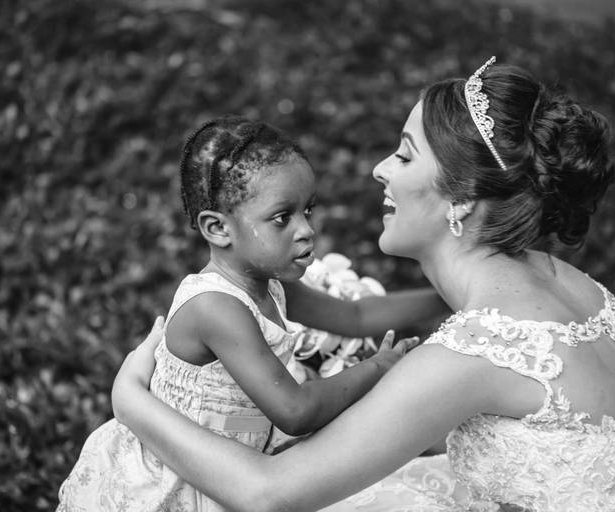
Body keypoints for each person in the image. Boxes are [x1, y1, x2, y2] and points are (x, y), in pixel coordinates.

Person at [110, 58, 615, 511]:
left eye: (404, 154)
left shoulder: (472, 354)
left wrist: (131, 401)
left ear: (462, 199)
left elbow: (269, 495)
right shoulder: (573, 284)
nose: (380, 168)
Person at [57, 116, 447, 511]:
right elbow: (296, 411)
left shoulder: (269, 283)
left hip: (231, 463)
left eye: (308, 210)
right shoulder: (216, 307)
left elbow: (356, 317)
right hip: (180, 480)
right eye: (282, 217)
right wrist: (379, 367)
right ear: (218, 229)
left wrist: (448, 297)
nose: (306, 230)